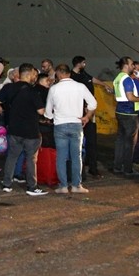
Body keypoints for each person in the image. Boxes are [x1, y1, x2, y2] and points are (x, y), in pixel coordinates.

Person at [44, 63, 97, 194]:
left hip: (60, 125)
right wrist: (87, 117)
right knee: (76, 156)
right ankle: (76, 185)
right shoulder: (80, 86)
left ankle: (63, 186)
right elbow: (93, 103)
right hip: (76, 124)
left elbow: (48, 112)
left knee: (61, 157)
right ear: (69, 73)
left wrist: (51, 117)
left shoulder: (54, 89)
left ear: (58, 74)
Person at [0, 63, 49, 196]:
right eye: (34, 74)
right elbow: (41, 111)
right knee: (31, 159)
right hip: (30, 131)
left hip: (14, 129)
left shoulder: (9, 88)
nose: (35, 77)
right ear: (29, 74)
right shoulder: (32, 91)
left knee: (12, 157)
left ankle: (7, 184)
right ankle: (32, 187)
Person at [112, 56, 139, 177]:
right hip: (129, 113)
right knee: (129, 142)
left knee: (120, 141)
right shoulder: (127, 79)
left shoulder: (117, 78)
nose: (133, 66)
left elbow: (116, 95)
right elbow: (130, 97)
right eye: (132, 64)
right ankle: (128, 169)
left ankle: (117, 166)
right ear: (126, 65)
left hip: (120, 111)